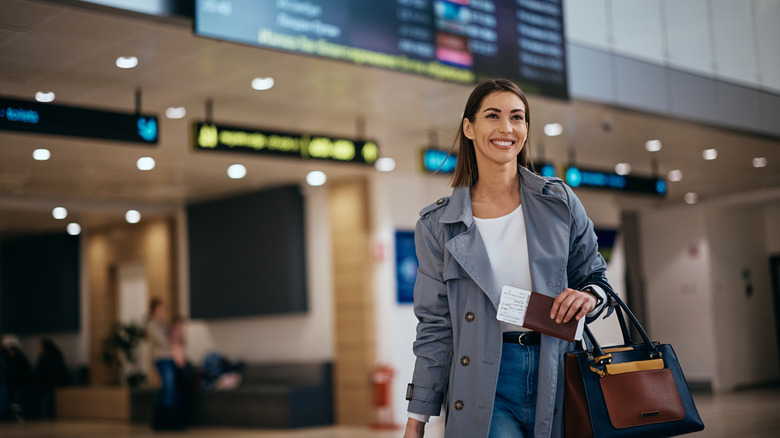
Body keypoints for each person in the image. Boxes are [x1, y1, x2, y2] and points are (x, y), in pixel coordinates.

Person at [403, 79, 612, 438]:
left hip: (558, 369)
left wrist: (589, 296)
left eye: (517, 117)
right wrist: (416, 420)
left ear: (526, 128)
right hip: (485, 380)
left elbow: (597, 278)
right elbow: (435, 328)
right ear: (469, 127)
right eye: (493, 116)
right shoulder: (438, 226)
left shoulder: (559, 203)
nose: (506, 128)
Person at [146, 298, 184, 430]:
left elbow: (175, 339)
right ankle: (163, 420)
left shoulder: (164, 324)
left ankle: (165, 421)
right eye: (160, 308)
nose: (163, 311)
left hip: (170, 358)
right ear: (154, 309)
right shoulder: (152, 325)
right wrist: (173, 343)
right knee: (168, 387)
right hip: (161, 359)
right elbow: (164, 341)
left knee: (168, 388)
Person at [32, 338, 70, 418]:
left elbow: (40, 371)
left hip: (51, 382)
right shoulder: (56, 353)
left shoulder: (45, 356)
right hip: (57, 380)